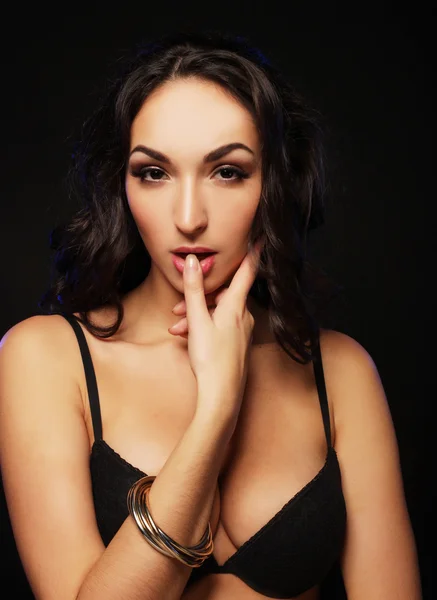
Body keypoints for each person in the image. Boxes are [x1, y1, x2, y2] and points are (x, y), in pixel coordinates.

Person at [0, 28, 421, 600]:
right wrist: (217, 407)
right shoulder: (45, 358)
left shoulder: (340, 372)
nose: (189, 216)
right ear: (121, 186)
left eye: (227, 171)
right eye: (154, 172)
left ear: (274, 183)